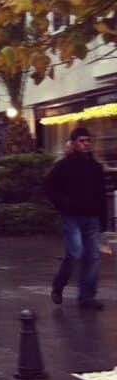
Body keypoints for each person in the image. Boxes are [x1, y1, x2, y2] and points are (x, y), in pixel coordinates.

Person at [46, 127, 107, 310]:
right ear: (73, 143)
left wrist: (102, 219)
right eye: (81, 141)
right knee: (74, 254)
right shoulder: (63, 166)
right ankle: (59, 284)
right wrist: (63, 205)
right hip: (72, 217)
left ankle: (86, 296)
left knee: (93, 257)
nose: (85, 144)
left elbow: (101, 194)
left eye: (87, 140)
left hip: (92, 217)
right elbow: (49, 188)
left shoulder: (95, 167)